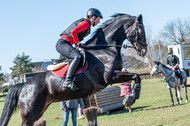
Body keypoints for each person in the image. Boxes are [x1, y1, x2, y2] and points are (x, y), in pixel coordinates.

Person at [56, 8, 103, 91]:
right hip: (62, 44)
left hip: (67, 44)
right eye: (98, 19)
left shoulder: (86, 23)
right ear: (93, 17)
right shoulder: (86, 23)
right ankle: (68, 80)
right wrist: (77, 43)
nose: (99, 21)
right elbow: (73, 32)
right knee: (77, 56)